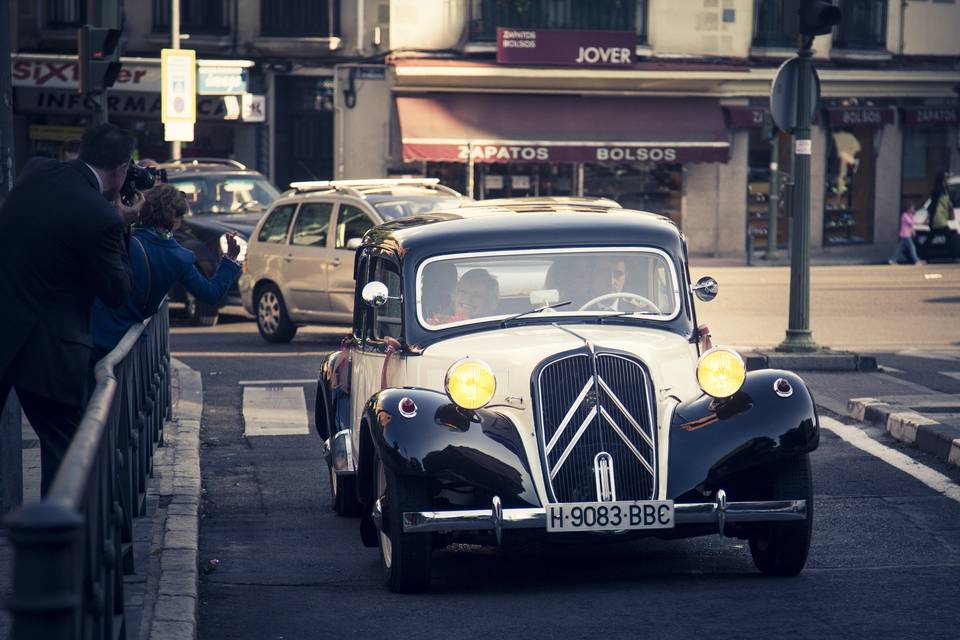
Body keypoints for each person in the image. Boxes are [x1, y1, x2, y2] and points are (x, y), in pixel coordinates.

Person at [0, 123, 142, 496]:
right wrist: (123, 225)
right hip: (48, 350)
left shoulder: (36, 172)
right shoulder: (101, 217)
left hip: (6, 328)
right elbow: (118, 292)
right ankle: (59, 545)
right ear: (122, 169)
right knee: (68, 456)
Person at [90, 184, 242, 357]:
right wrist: (229, 260)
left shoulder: (126, 238)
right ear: (176, 219)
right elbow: (211, 294)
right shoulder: (180, 257)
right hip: (127, 340)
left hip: (94, 327)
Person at [430, 268, 499, 323]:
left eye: (476, 295)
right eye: (463, 291)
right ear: (454, 296)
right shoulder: (435, 325)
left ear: (490, 303)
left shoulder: (494, 331)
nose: (467, 299)